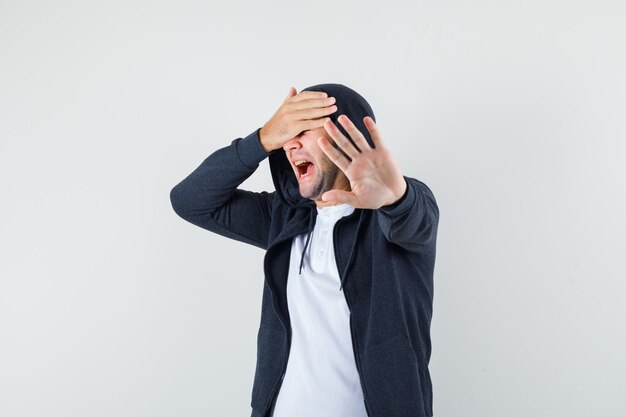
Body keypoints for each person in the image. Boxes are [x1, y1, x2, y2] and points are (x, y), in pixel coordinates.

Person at [169, 83, 439, 417]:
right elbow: (189, 201)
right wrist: (263, 139)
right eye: (286, 134)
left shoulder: (395, 215)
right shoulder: (283, 217)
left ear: (348, 137)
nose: (290, 143)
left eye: (303, 130)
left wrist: (397, 197)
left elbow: (415, 217)